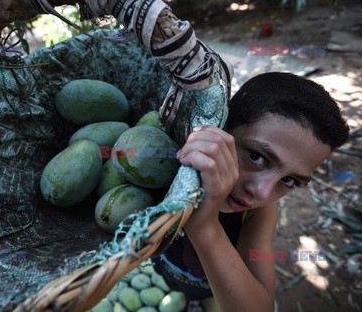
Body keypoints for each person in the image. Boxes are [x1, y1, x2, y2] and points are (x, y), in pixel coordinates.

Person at [150, 71, 349, 312]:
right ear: (222, 126)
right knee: (174, 284)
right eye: (256, 157)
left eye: (289, 180)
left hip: (212, 284)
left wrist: (204, 225)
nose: (263, 194)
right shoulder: (162, 170)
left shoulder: (259, 213)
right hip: (166, 267)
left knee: (202, 294)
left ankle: (195, 300)